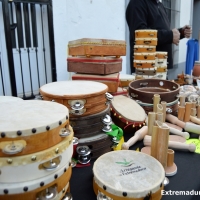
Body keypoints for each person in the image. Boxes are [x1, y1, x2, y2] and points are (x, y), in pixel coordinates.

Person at [126, 0, 192, 74]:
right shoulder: (137, 2)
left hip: (161, 67)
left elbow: (161, 31)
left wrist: (180, 33)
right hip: (146, 69)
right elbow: (139, 34)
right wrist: (170, 35)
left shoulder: (160, 5)